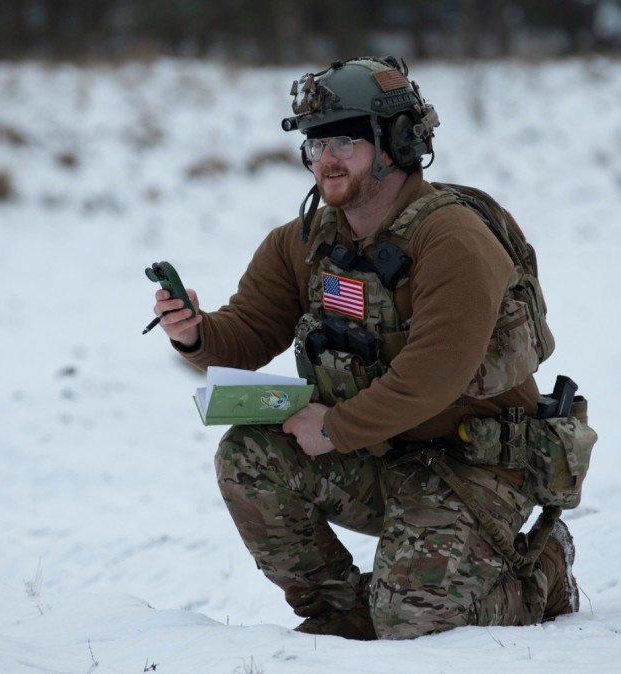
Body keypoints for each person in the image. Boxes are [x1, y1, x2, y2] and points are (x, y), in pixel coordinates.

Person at [151, 56, 580, 640]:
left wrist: (336, 427)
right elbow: (249, 331)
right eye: (315, 144)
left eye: (344, 142)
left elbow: (436, 373)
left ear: (397, 144)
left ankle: (543, 569)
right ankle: (341, 611)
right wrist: (195, 332)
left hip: (477, 466)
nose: (324, 160)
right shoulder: (305, 241)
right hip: (380, 456)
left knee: (416, 622)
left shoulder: (452, 237)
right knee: (248, 454)